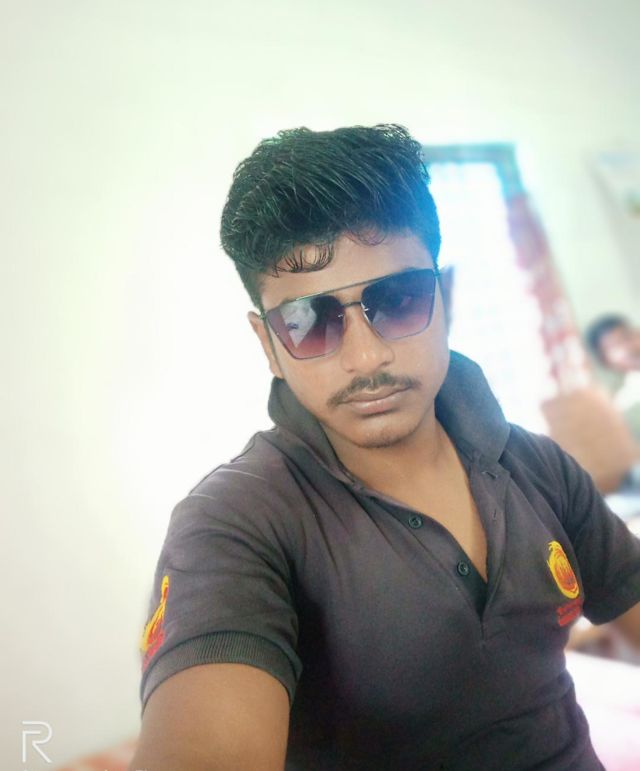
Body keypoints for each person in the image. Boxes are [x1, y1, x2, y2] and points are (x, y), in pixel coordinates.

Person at [130, 125, 640, 771]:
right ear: (269, 346)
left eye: (398, 301)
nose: (366, 357)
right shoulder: (237, 522)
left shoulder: (538, 466)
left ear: (446, 298)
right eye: (309, 322)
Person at [586, 314, 640, 445]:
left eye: (627, 337)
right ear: (606, 361)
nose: (628, 347)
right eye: (615, 346)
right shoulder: (624, 406)